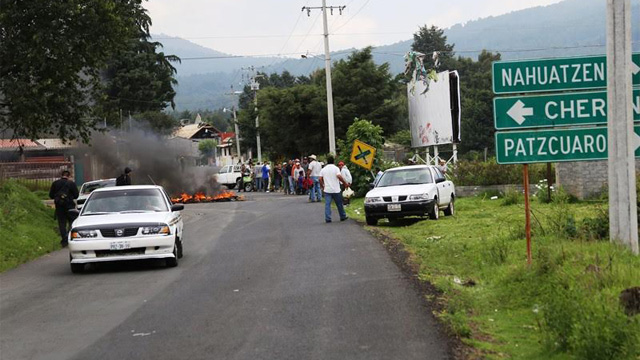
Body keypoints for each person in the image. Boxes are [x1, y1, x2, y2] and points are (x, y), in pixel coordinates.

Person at [49, 170, 79, 247]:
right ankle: (70, 237)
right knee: (72, 221)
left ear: (61, 175)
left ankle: (64, 240)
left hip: (59, 207)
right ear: (69, 176)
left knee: (62, 223)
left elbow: (51, 195)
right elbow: (76, 195)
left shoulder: (55, 183)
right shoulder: (71, 183)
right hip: (70, 206)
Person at [319, 155, 349, 223]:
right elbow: (339, 176)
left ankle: (328, 218)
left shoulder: (323, 169)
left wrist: (322, 186)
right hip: (336, 189)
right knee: (339, 204)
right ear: (333, 161)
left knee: (327, 204)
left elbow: (320, 179)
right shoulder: (336, 168)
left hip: (327, 189)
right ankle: (342, 216)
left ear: (327, 161)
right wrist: (344, 183)